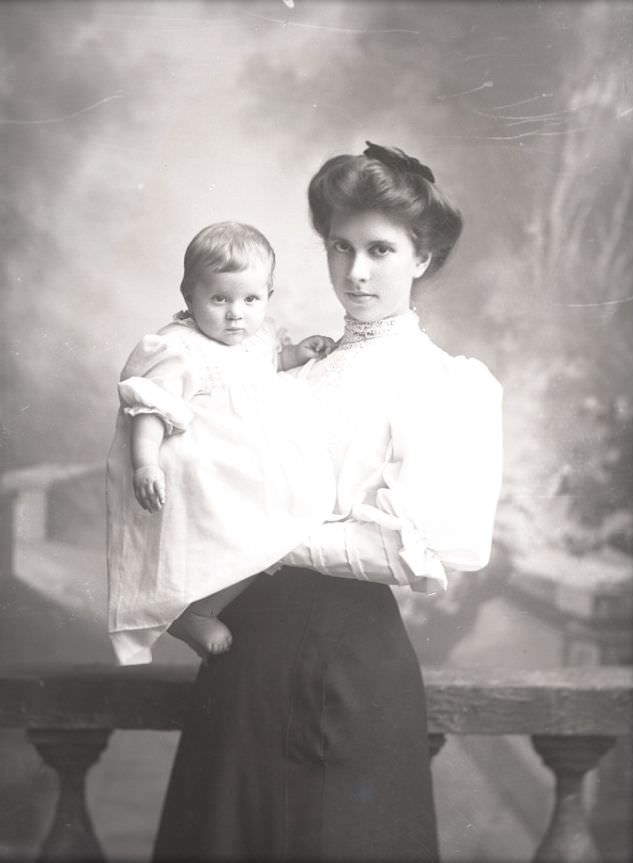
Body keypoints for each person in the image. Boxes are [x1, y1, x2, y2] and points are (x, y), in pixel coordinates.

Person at [153, 142, 503, 862]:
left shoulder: (442, 384)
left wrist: (270, 534)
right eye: (339, 247)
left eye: (380, 248)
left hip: (347, 666)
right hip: (244, 660)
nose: (356, 270)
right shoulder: (295, 366)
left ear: (423, 258)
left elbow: (427, 547)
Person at [106, 221, 336, 665]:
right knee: (237, 531)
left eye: (250, 299)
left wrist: (297, 355)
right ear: (188, 296)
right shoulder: (178, 348)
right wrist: (145, 464)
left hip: (251, 461)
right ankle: (196, 611)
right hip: (207, 463)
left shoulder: (261, 335)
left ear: (268, 296)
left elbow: (269, 366)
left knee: (284, 526)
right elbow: (151, 409)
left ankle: (202, 606)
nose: (236, 313)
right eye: (219, 299)